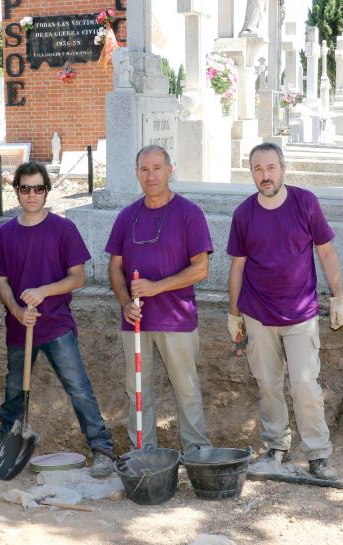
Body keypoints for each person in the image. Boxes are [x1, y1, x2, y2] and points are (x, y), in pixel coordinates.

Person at [0, 161, 115, 477]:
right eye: (25, 188)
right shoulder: (5, 234)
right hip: (20, 327)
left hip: (56, 325)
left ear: (46, 191)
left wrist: (43, 291)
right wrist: (15, 309)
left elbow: (77, 277)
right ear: (16, 191)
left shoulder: (63, 229)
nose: (31, 195)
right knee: (14, 388)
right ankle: (7, 437)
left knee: (78, 387)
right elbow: (0, 281)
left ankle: (102, 449)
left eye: (38, 188)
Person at [227, 142, 343, 481]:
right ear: (251, 173)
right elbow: (237, 267)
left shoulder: (304, 203)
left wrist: (338, 296)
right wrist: (233, 313)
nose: (265, 176)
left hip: (301, 313)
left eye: (270, 168)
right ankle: (276, 445)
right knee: (267, 383)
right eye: (258, 169)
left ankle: (318, 453)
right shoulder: (244, 214)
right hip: (257, 311)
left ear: (283, 169)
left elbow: (326, 252)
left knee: (304, 384)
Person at [106, 145, 214, 453]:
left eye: (156, 168)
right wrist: (125, 301)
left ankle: (197, 454)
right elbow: (115, 266)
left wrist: (157, 287)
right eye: (144, 169)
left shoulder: (189, 214)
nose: (150, 175)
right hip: (136, 322)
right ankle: (144, 455)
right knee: (138, 391)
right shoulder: (127, 216)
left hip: (176, 320)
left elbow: (201, 268)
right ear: (137, 174)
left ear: (170, 169)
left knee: (187, 391)